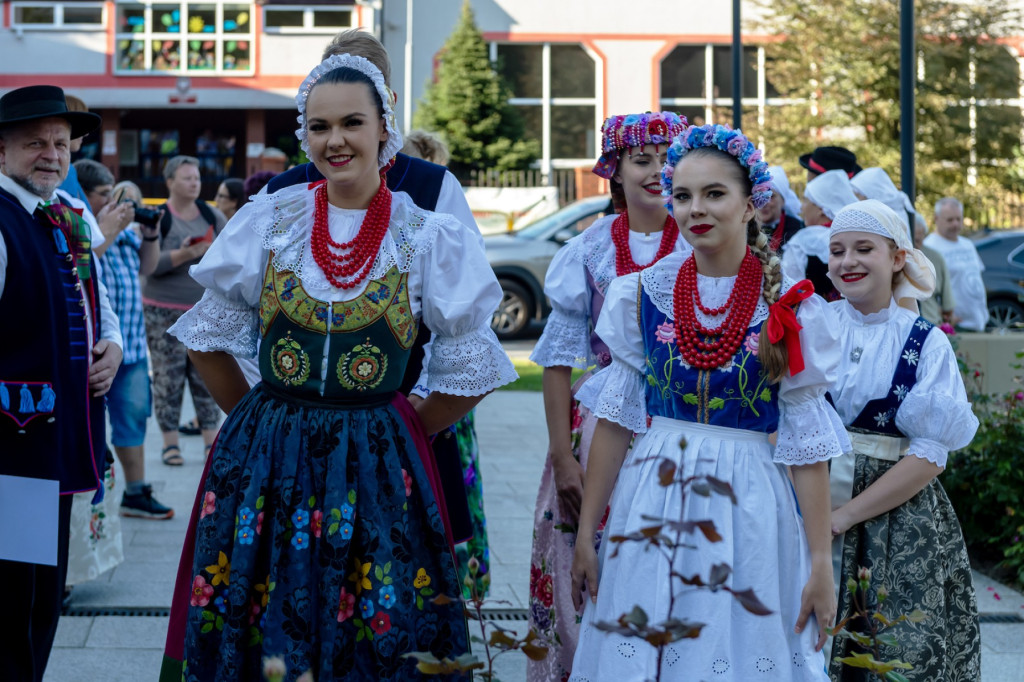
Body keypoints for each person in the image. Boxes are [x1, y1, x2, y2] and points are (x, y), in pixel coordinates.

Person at [158, 53, 516, 681]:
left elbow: (472, 366)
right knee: (264, 614)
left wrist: (405, 424)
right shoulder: (272, 219)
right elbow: (206, 338)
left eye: (352, 122)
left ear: (385, 127)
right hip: (268, 457)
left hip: (377, 455)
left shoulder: (427, 235)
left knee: (375, 618)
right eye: (319, 127)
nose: (335, 140)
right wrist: (257, 421)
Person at [568, 124, 847, 680]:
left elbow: (807, 448)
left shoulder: (786, 306)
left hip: (747, 503)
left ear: (750, 204)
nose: (696, 209)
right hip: (651, 495)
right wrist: (586, 535)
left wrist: (820, 562)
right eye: (683, 195)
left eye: (715, 193)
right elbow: (617, 424)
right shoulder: (642, 294)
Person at [527, 110, 688, 681]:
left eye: (667, 160)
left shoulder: (698, 242)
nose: (656, 173)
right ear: (613, 172)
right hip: (595, 426)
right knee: (580, 557)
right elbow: (554, 361)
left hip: (676, 423)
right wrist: (562, 455)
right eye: (642, 161)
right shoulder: (589, 250)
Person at [825, 200, 980, 680]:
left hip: (893, 521)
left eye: (863, 248)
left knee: (893, 649)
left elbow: (930, 456)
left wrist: (844, 517)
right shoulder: (815, 326)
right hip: (808, 504)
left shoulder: (923, 341)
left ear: (897, 258)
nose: (847, 261)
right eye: (836, 250)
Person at [0, 84, 123, 682]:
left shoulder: (62, 217)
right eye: (34, 144)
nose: (51, 154)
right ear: (1, 153)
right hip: (14, 455)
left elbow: (99, 303)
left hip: (60, 446)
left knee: (43, 596)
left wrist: (114, 346)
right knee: (14, 601)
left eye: (60, 143)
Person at [399, 126, 491, 598]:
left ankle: (454, 582)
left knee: (444, 480)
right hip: (421, 390)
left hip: (429, 390)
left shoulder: (436, 198)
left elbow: (462, 309)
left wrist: (427, 397)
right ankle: (458, 579)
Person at [141, 155, 226, 465]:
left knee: (207, 377)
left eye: (197, 178)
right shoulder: (158, 216)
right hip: (162, 310)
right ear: (170, 182)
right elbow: (149, 267)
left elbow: (230, 257)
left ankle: (210, 443)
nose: (195, 183)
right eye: (187, 178)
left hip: (204, 310)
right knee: (167, 378)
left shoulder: (212, 215)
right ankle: (170, 444)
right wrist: (188, 252)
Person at [782, 169, 859, 301]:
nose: (801, 208)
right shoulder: (859, 236)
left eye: (806, 201)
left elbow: (789, 292)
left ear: (821, 209)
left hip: (813, 318)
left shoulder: (803, 242)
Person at [923, 197, 988, 331]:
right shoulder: (930, 247)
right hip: (954, 326)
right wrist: (944, 316)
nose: (955, 224)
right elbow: (927, 291)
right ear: (936, 218)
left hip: (978, 322)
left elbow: (977, 278)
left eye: (958, 219)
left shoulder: (968, 244)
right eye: (950, 220)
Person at [913, 213, 955, 325]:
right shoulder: (935, 258)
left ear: (923, 235)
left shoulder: (936, 258)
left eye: (917, 240)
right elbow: (948, 306)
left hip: (929, 323)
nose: (914, 245)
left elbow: (948, 306)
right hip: (926, 322)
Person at [757, 164, 804, 252]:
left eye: (771, 196)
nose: (764, 203)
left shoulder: (798, 231)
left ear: (783, 201)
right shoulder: (745, 227)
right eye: (760, 195)